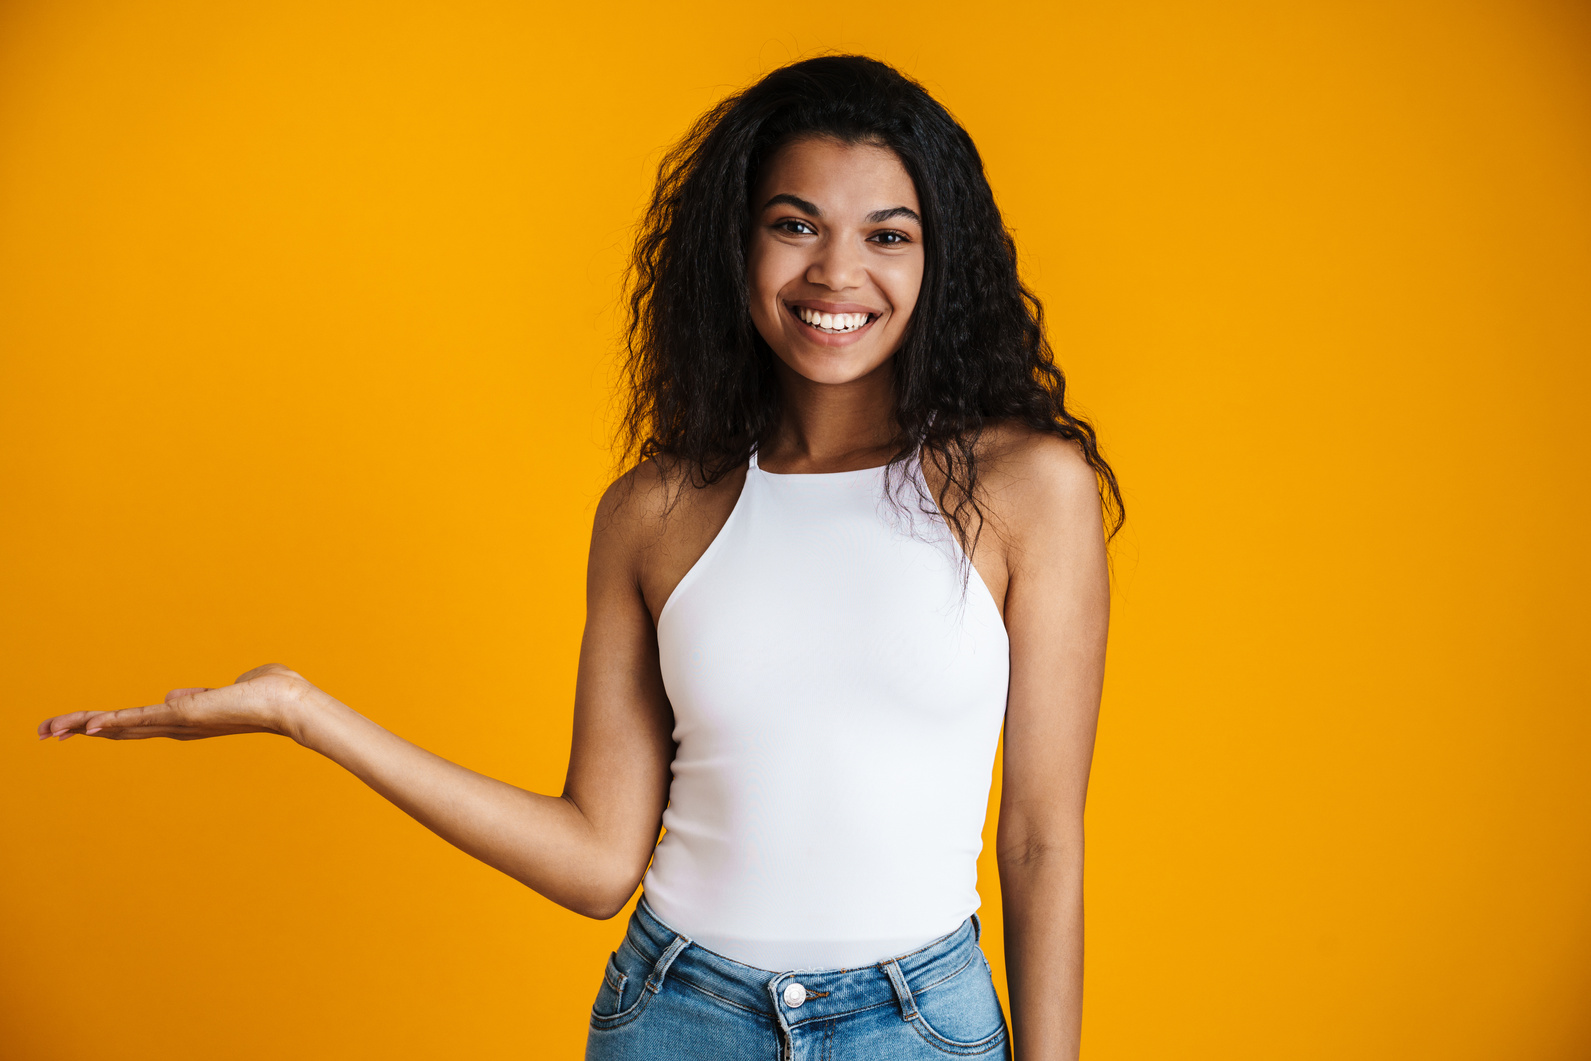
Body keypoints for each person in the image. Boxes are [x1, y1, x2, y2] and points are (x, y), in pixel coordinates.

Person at [37, 55, 1121, 1061]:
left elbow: (1036, 840)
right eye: (795, 224)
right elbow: (599, 858)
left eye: (889, 234)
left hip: (916, 1025)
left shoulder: (1027, 490)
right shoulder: (652, 511)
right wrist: (301, 710)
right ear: (736, 244)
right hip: (677, 1013)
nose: (837, 271)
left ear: (941, 258)